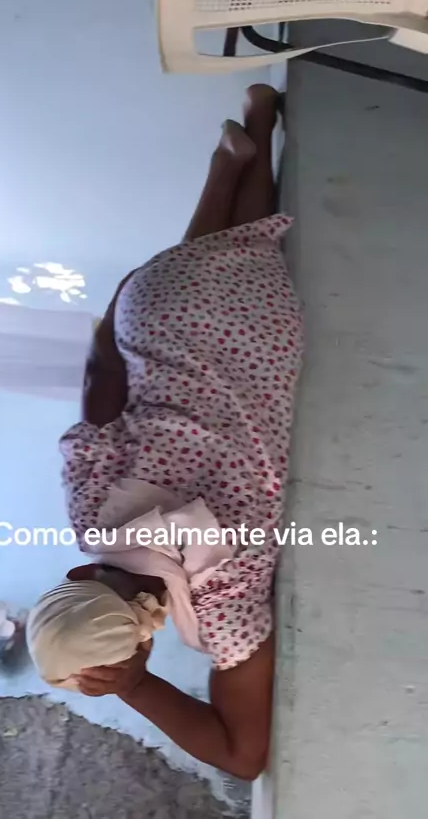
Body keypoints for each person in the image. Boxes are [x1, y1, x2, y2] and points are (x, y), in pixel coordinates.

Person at [27, 84, 303, 781]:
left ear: (143, 644)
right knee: (197, 267)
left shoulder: (222, 600)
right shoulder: (93, 519)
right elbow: (99, 393)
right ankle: (232, 154)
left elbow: (243, 757)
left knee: (244, 256)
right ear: (78, 574)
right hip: (161, 315)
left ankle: (255, 130)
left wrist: (135, 687)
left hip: (257, 333)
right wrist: (113, 325)